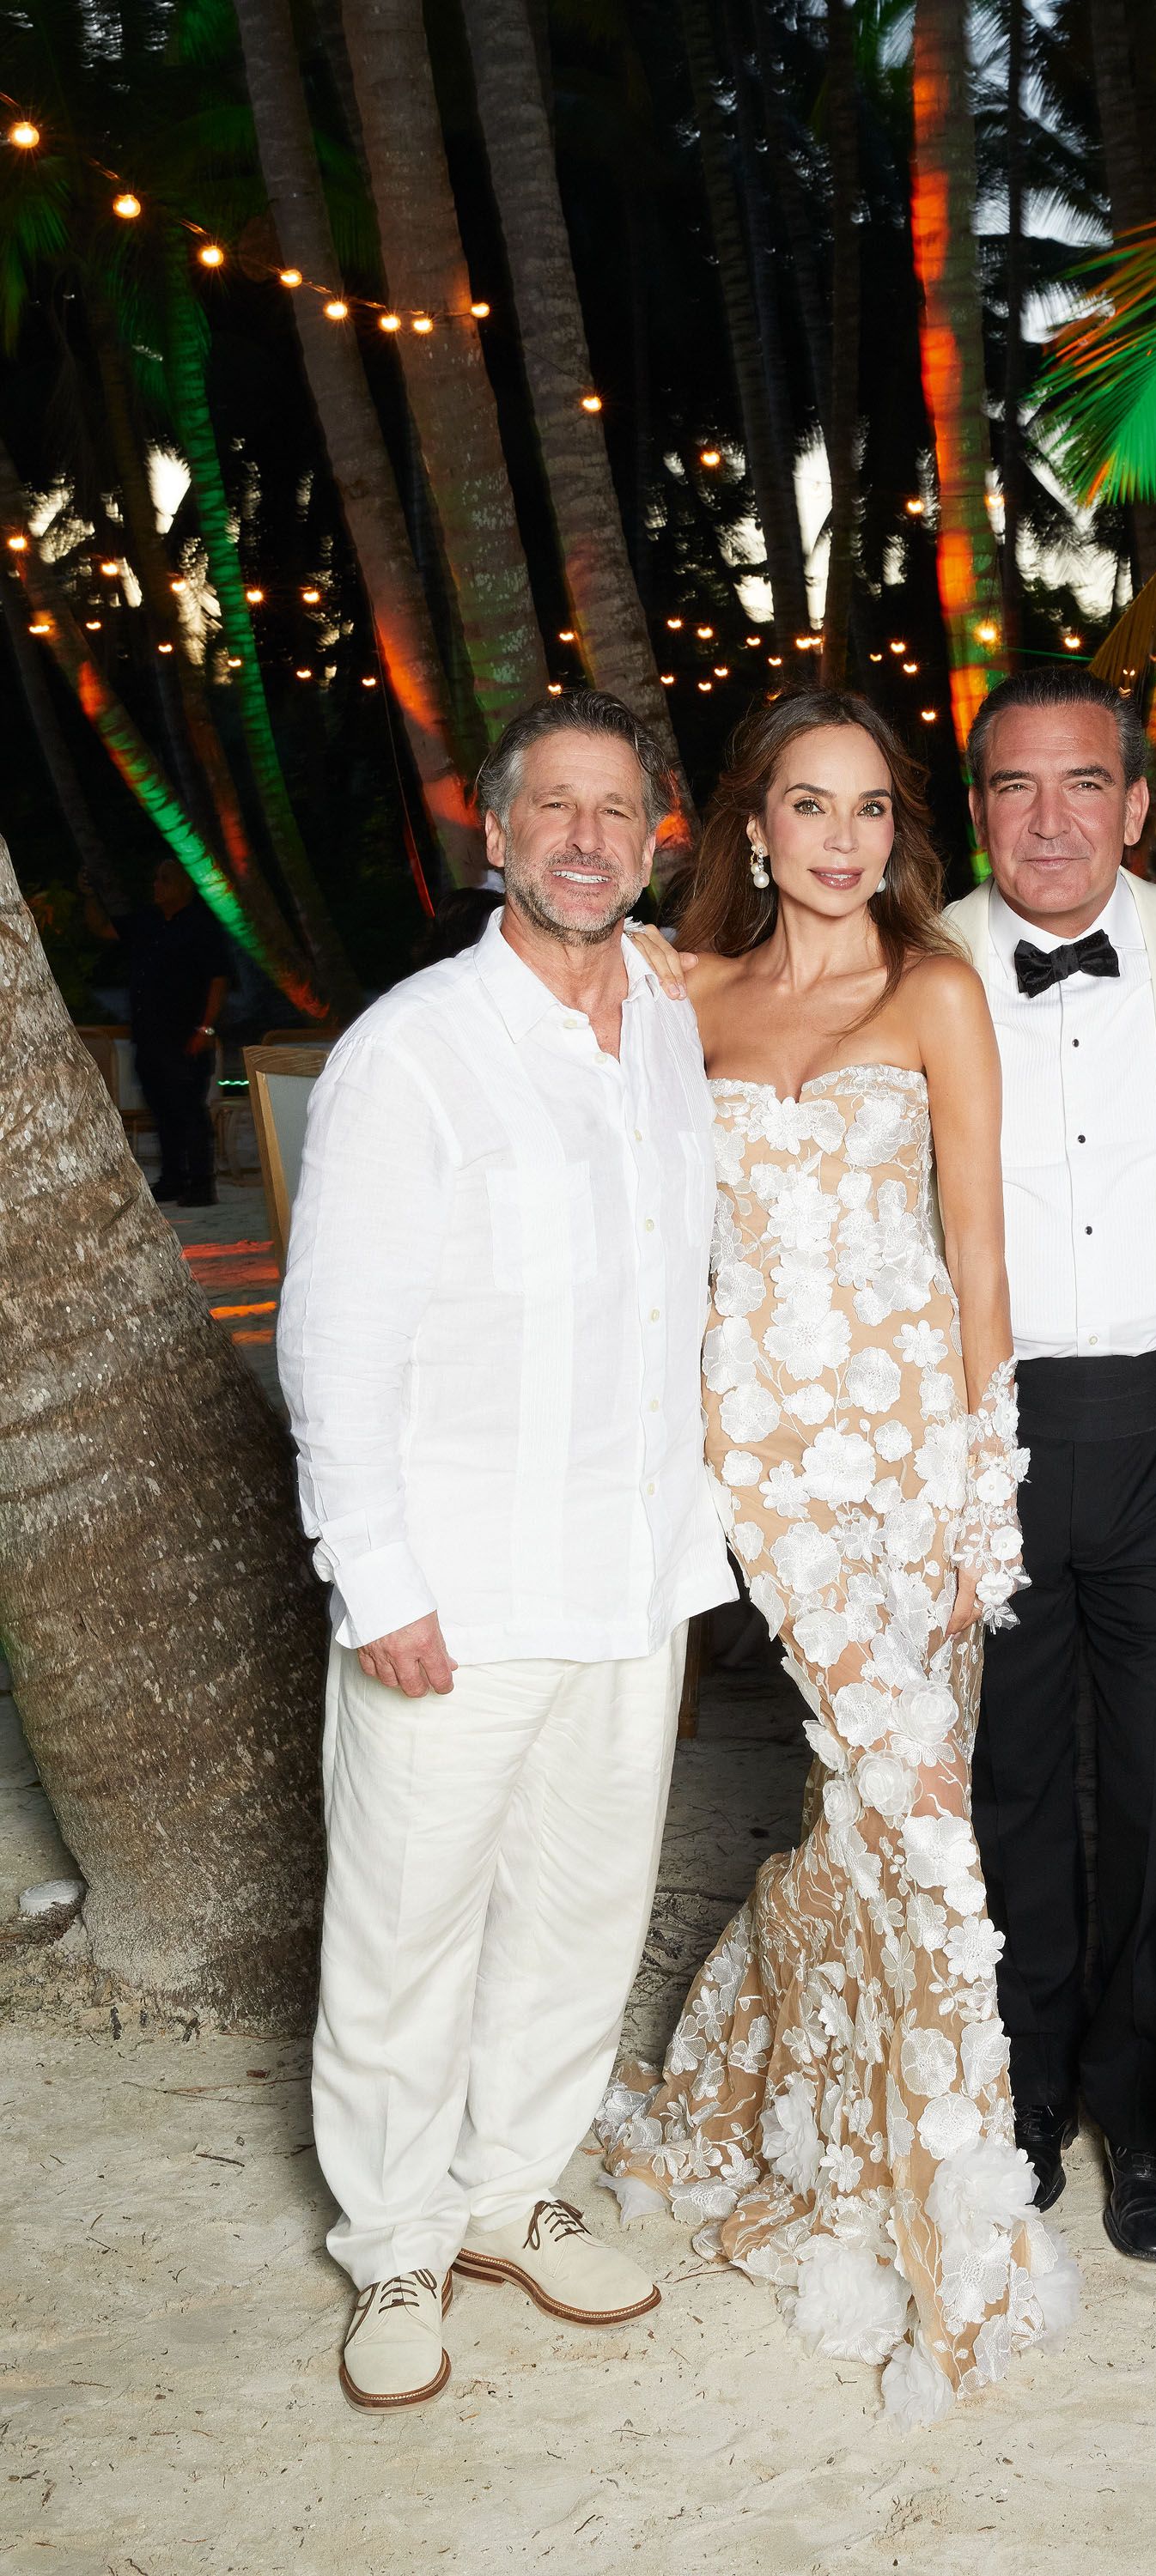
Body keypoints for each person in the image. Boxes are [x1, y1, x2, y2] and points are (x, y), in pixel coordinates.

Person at [599, 691, 1075, 2425]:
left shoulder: (936, 990)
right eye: (810, 805)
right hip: (771, 1467)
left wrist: (977, 1501)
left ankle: (759, 2077)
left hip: (916, 1470)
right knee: (924, 1815)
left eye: (870, 808)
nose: (842, 837)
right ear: (751, 827)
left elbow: (977, 1249)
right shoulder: (687, 994)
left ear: (897, 830)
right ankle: (955, 2211)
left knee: (865, 1815)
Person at [277, 690, 735, 2409]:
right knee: (404, 1925)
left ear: (655, 835)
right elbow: (335, 1338)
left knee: (579, 1908)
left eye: (619, 812)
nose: (588, 840)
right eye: (557, 808)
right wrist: (374, 1577)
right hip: (455, 1589)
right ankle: (394, 2248)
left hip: (629, 1579)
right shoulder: (415, 1047)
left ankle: (506, 2195)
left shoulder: (675, 1029)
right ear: (495, 831)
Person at [941, 667, 1156, 2267]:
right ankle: (1020, 2083)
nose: (1046, 819)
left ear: (1137, 806)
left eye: (1081, 787)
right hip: (986, 1429)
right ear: (976, 804)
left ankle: (1136, 2096)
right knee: (1003, 1780)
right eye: (1011, 787)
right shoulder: (911, 961)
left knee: (1153, 1786)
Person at [84, 857, 228, 1206]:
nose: (156, 886)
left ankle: (201, 1183)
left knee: (189, 1109)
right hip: (149, 1034)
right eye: (156, 879)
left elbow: (219, 979)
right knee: (162, 1109)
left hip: (186, 1034)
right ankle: (172, 1178)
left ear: (183, 885)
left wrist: (206, 1028)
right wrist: (89, 894)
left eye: (164, 880)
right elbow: (103, 929)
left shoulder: (201, 925)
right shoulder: (147, 922)